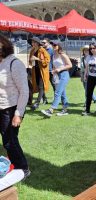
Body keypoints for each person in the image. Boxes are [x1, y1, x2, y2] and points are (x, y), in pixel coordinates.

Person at [0, 34, 30, 178]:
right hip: (1, 107)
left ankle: (22, 169)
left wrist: (18, 113)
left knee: (10, 141)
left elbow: (24, 91)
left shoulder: (14, 63)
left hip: (11, 109)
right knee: (7, 141)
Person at [41, 42, 72, 117]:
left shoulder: (63, 55)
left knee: (57, 92)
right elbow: (55, 66)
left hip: (64, 74)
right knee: (62, 93)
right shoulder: (53, 55)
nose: (53, 46)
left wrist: (60, 69)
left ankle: (51, 109)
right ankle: (65, 109)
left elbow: (70, 65)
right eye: (52, 45)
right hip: (58, 75)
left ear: (59, 46)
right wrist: (54, 72)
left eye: (55, 45)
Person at [28, 37, 50, 111]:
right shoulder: (32, 50)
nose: (32, 43)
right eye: (32, 42)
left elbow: (47, 60)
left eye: (34, 42)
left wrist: (37, 59)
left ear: (37, 43)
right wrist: (31, 60)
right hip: (35, 70)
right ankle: (45, 99)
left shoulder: (42, 50)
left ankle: (37, 103)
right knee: (38, 86)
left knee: (41, 86)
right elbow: (30, 62)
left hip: (42, 71)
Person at [82, 43, 96, 116]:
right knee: (89, 94)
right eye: (90, 48)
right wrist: (85, 75)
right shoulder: (88, 57)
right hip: (90, 77)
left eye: (94, 48)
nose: (92, 50)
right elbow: (86, 68)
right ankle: (87, 110)